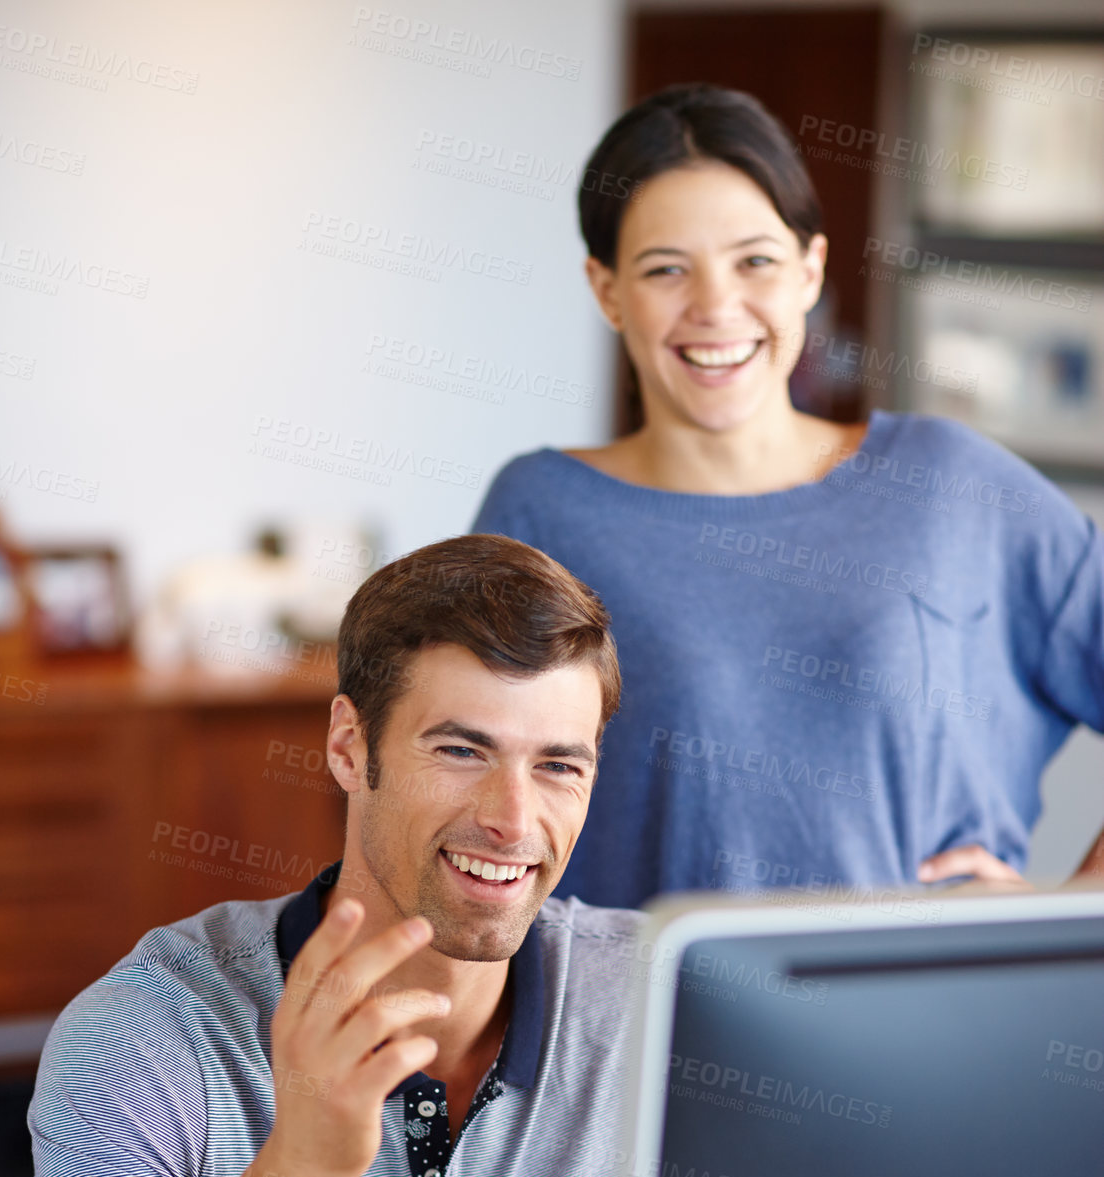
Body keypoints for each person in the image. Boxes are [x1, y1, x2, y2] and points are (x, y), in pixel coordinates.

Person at [16, 533, 639, 1177]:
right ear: (350, 746)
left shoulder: (648, 1004)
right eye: (460, 749)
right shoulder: (149, 1031)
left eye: (557, 765)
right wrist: (302, 1166)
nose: (512, 817)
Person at [473, 83, 1104, 910]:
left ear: (810, 269)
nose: (716, 307)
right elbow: (465, 785)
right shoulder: (541, 511)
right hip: (624, 1025)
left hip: (922, 1021)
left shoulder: (951, 485)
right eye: (667, 269)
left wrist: (1067, 915)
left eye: (755, 261)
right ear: (608, 290)